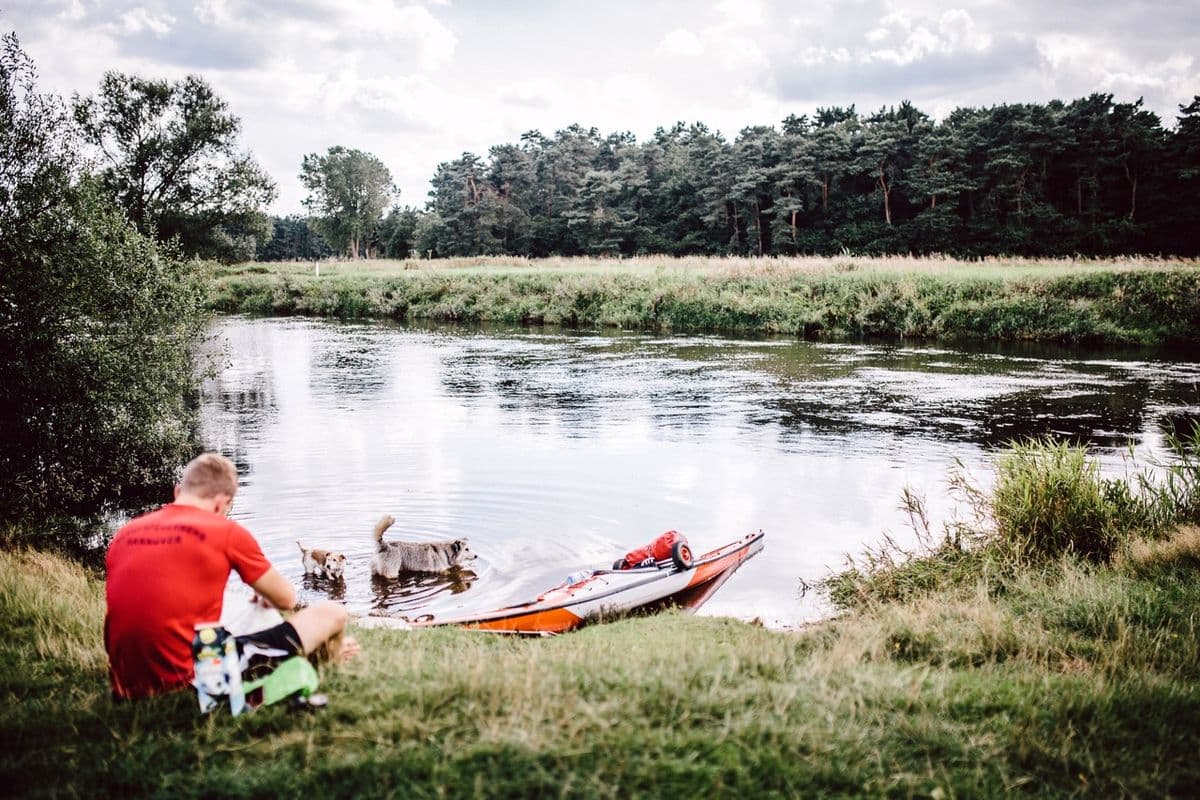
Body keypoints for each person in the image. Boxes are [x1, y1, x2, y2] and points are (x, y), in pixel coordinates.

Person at [104, 452, 359, 700]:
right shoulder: (225, 531)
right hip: (191, 679)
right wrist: (270, 594)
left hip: (125, 680)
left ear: (177, 492)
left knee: (241, 603)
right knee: (332, 612)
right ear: (222, 502)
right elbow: (287, 599)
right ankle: (328, 657)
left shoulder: (125, 533)